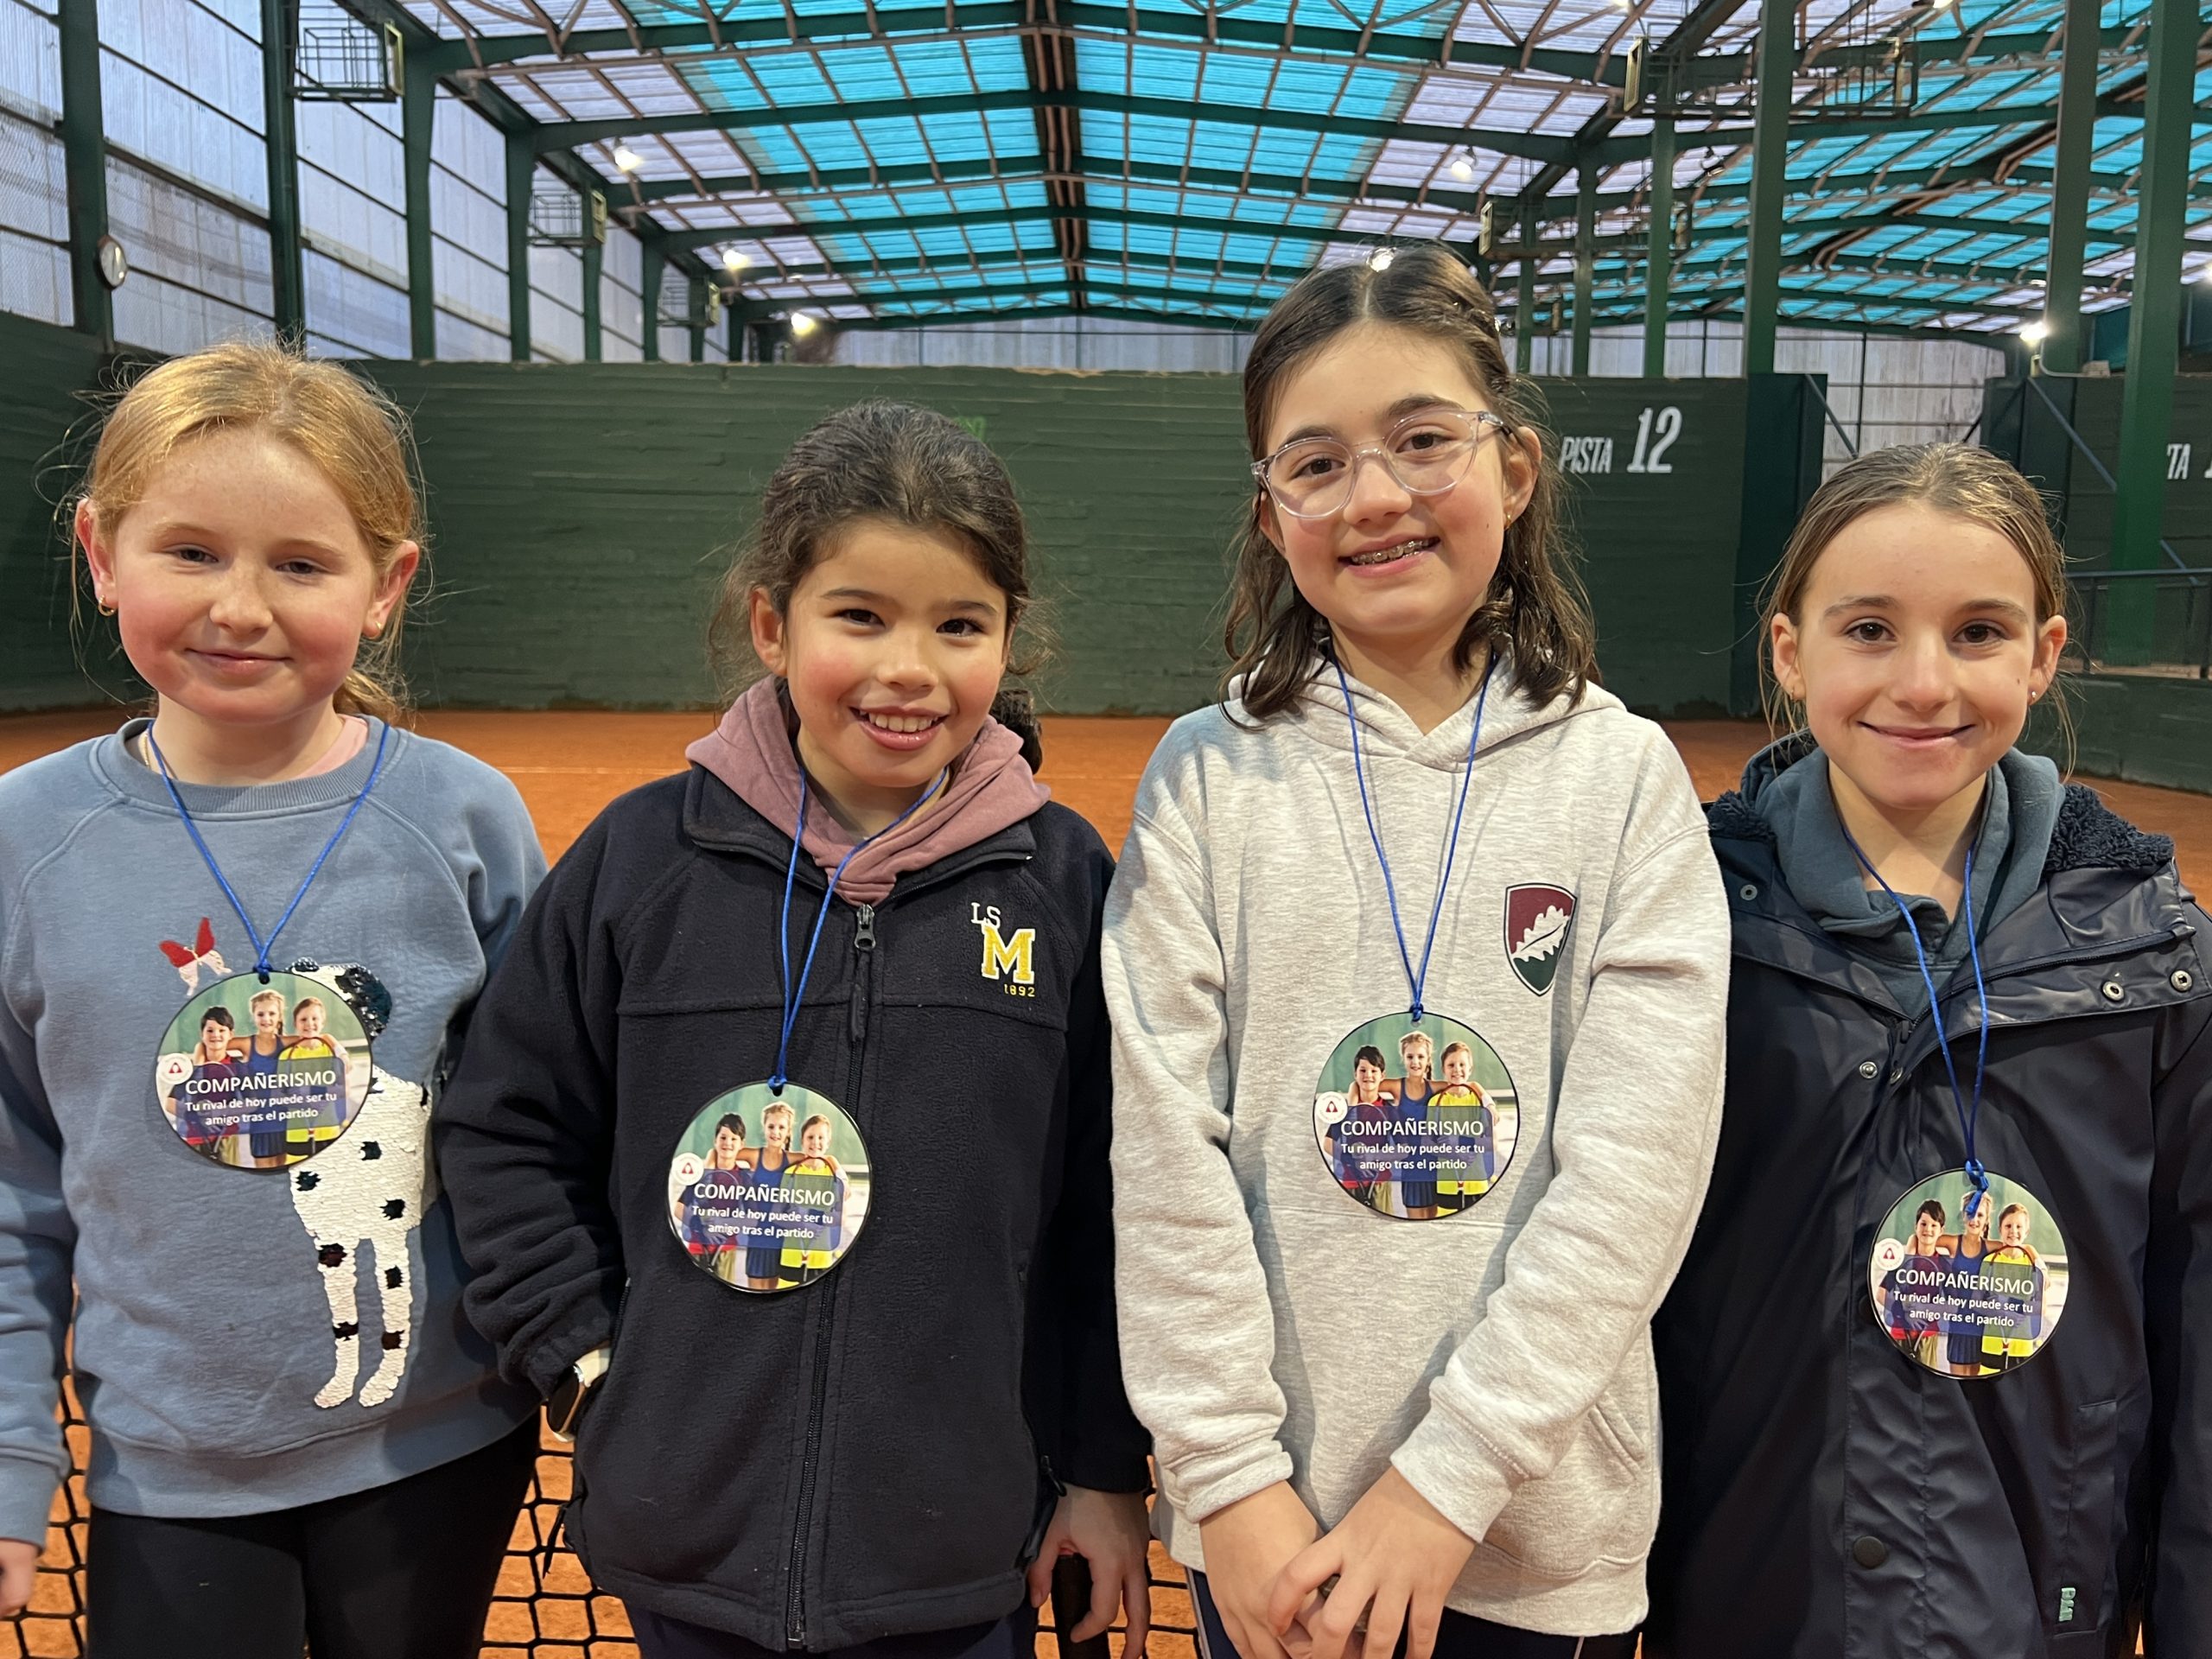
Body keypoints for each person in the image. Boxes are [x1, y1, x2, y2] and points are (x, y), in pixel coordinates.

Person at [435, 400, 1153, 1659]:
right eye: (859, 616)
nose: (908, 669)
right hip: (689, 1542)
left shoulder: (1062, 882)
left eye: (960, 625)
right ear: (772, 623)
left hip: (962, 1552)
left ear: (1009, 639)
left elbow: (1114, 1202)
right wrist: (591, 1369)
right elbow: (505, 1127)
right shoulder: (640, 864)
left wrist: (1099, 1466)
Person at [1104, 242, 1731, 1659]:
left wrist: (1449, 1482)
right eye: (1316, 464)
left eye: (1423, 440)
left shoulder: (1626, 779)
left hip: (1527, 1543)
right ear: (1270, 515)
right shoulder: (1204, 779)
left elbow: (1635, 1175)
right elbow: (1164, 1155)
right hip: (1272, 1546)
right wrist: (1229, 1479)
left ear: (1515, 469)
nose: (1375, 495)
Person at [0, 340, 545, 1657]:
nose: (239, 606)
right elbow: (10, 1184)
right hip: (166, 1465)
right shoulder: (26, 841)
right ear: (100, 553)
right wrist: (12, 1455)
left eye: (300, 564)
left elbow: (541, 1130)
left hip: (438, 1452)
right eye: (189, 551)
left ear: (385, 587)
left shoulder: (465, 820)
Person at [1643, 442, 2212, 1658]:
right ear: (1789, 651)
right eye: (1867, 630)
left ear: (2043, 656)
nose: (1921, 682)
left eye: (1977, 633)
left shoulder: (2160, 962)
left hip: (2036, 1612)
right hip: (1744, 1595)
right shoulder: (1675, 922)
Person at [675, 1114, 757, 1285]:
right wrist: (702, 1227)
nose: (727, 1143)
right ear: (715, 1141)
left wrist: (723, 1224)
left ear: (741, 1144)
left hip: (725, 1250)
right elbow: (678, 1209)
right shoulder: (701, 1174)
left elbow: (754, 1219)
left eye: (733, 1139)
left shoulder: (744, 1179)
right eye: (723, 1137)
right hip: (697, 1247)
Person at [1430, 1042, 1492, 1211]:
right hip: (1446, 1186)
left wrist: (1459, 1140)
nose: (1457, 1070)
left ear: (1470, 1069)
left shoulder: (1479, 1101)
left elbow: (1491, 1143)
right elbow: (1427, 1144)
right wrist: (1454, 1155)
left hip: (1477, 1184)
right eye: (1451, 1065)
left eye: (1462, 1064)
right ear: (1443, 1070)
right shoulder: (1435, 1103)